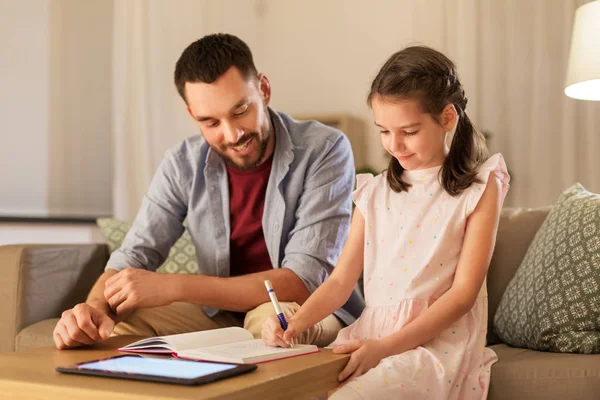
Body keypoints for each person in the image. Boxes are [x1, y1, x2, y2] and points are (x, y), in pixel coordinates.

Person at [53, 33, 364, 350]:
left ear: (264, 89)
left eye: (240, 110)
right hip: (219, 313)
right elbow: (134, 255)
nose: (232, 134)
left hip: (307, 307)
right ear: (192, 116)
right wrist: (93, 309)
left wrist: (176, 285)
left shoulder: (325, 149)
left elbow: (301, 282)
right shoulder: (181, 163)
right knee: (121, 328)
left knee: (272, 325)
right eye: (210, 122)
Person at [262, 45, 510, 399]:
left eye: (408, 131)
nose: (394, 145)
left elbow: (462, 296)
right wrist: (294, 324)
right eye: (383, 131)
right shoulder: (374, 191)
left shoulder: (479, 188)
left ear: (447, 118)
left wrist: (386, 348)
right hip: (371, 337)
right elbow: (340, 281)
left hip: (434, 347)